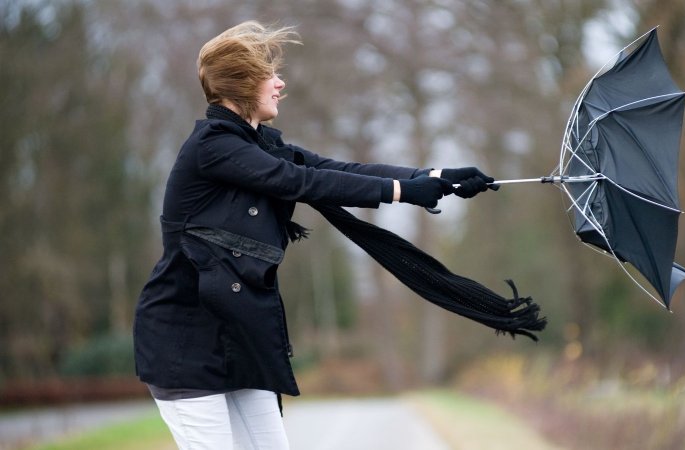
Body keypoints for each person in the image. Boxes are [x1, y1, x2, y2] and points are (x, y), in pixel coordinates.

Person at [133, 20, 496, 450]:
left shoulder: (258, 145)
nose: (280, 83)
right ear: (243, 83)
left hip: (239, 339)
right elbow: (299, 182)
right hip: (185, 345)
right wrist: (401, 191)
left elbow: (334, 169)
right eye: (269, 75)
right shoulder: (212, 146)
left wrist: (434, 176)